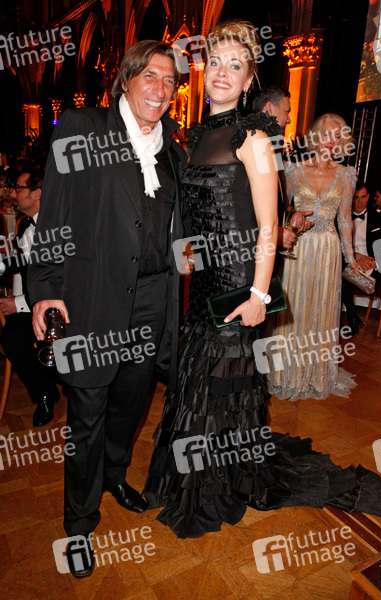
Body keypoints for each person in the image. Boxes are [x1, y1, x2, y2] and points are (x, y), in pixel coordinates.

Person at [143, 23, 381, 539]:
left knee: (222, 383)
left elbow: (267, 224)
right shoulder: (194, 135)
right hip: (204, 282)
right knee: (198, 380)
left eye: (235, 65)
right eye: (216, 62)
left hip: (239, 282)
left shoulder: (253, 137)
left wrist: (260, 293)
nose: (223, 73)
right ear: (203, 70)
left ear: (249, 78)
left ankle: (214, 484)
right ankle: (197, 473)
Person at [27, 40, 186, 577]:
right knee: (87, 415)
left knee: (129, 404)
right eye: (151, 76)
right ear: (126, 78)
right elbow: (53, 214)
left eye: (170, 81)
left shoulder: (172, 153)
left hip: (151, 300)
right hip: (92, 300)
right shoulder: (83, 128)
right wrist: (45, 286)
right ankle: (79, 523)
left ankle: (115, 474)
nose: (160, 89)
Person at [266, 113, 362, 401]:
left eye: (337, 136)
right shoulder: (294, 170)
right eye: (326, 134)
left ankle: (316, 374)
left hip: (328, 251)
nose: (331, 141)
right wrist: (290, 221)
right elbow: (279, 211)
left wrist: (350, 258)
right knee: (294, 309)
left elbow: (345, 219)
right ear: (315, 136)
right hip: (299, 248)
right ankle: (285, 373)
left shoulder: (346, 175)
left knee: (321, 309)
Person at [0, 168, 60, 426]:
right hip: (33, 301)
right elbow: (25, 266)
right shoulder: (26, 225)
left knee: (16, 338)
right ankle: (46, 391)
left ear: (37, 193)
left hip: (58, 305)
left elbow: (59, 281)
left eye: (19, 188)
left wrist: (19, 303)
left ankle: (53, 388)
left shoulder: (58, 227)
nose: (13, 193)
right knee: (11, 336)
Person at [252, 86, 313, 259]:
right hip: (252, 253)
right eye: (287, 111)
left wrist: (289, 217)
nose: (289, 119)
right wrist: (275, 233)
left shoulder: (272, 145)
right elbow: (242, 205)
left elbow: (272, 198)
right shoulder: (252, 144)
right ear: (269, 108)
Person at [342, 182, 381, 334]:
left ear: (368, 197)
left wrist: (373, 263)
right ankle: (351, 317)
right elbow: (337, 248)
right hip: (349, 263)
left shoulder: (380, 219)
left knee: (345, 276)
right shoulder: (342, 218)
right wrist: (354, 257)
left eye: (363, 197)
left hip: (372, 269)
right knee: (344, 273)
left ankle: (350, 317)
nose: (359, 201)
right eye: (356, 197)